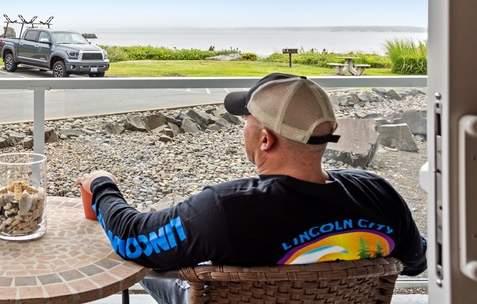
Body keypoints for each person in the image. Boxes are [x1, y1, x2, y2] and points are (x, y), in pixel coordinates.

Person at [77, 73, 426, 304]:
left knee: (155, 264)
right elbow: (415, 262)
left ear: (265, 139)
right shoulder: (379, 194)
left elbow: (132, 240)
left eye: (246, 121)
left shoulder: (224, 210)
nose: (242, 128)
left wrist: (103, 185)